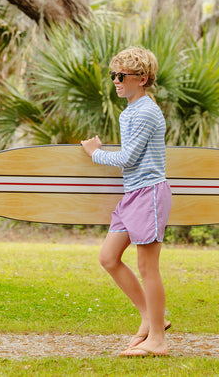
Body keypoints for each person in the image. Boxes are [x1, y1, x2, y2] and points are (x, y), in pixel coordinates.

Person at [81, 45, 172, 357]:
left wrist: (95, 153)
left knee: (148, 268)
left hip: (148, 194)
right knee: (108, 257)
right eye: (113, 75)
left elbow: (129, 157)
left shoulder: (146, 111)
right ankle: (149, 317)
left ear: (142, 78)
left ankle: (158, 339)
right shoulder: (131, 111)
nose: (116, 81)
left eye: (122, 76)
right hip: (133, 195)